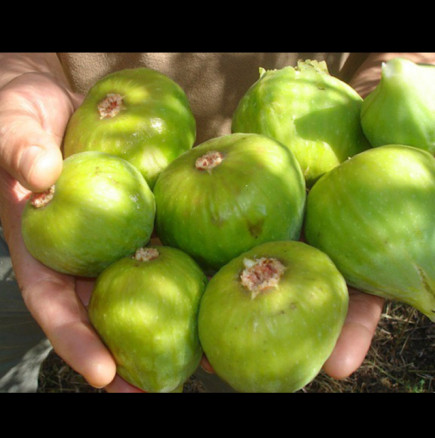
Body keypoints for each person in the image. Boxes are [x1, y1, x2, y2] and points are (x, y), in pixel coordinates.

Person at [1, 52, 434, 393]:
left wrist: (393, 81)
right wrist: (15, 65)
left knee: (232, 360)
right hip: (66, 145)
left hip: (296, 130)